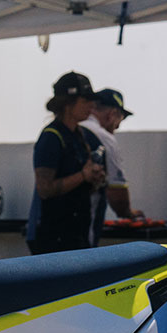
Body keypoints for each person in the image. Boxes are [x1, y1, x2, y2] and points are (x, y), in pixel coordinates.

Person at [28, 72, 108, 253]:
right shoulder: (51, 137)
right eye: (85, 100)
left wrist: (95, 179)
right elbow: (45, 188)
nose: (91, 105)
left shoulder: (79, 136)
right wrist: (83, 176)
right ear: (68, 103)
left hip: (76, 236)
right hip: (54, 240)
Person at [83, 87, 143, 223]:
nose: (117, 128)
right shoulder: (103, 137)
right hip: (82, 227)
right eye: (120, 120)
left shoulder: (69, 129)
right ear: (112, 114)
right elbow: (117, 191)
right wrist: (128, 213)